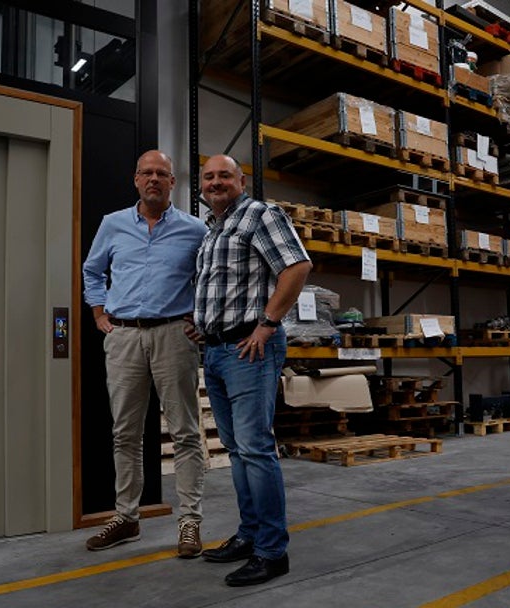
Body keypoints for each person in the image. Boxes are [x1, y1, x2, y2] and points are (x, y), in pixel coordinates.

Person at [82, 150, 208, 558]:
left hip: (175, 335)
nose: (154, 179)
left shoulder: (195, 230)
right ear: (135, 179)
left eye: (162, 173)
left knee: (186, 432)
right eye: (147, 173)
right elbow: (92, 270)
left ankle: (189, 522)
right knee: (125, 432)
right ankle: (127, 517)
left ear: (173, 182)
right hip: (124, 337)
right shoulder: (113, 224)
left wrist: (200, 318)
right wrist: (100, 313)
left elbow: (209, 279)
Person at [193, 154, 312, 586]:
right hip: (219, 350)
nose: (216, 182)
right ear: (200, 185)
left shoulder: (261, 214)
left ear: (241, 180)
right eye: (208, 176)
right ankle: (249, 534)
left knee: (256, 448)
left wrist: (268, 324)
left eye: (225, 175)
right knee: (239, 450)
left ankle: (271, 551)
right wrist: (202, 323)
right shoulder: (212, 230)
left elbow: (297, 267)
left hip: (250, 348)